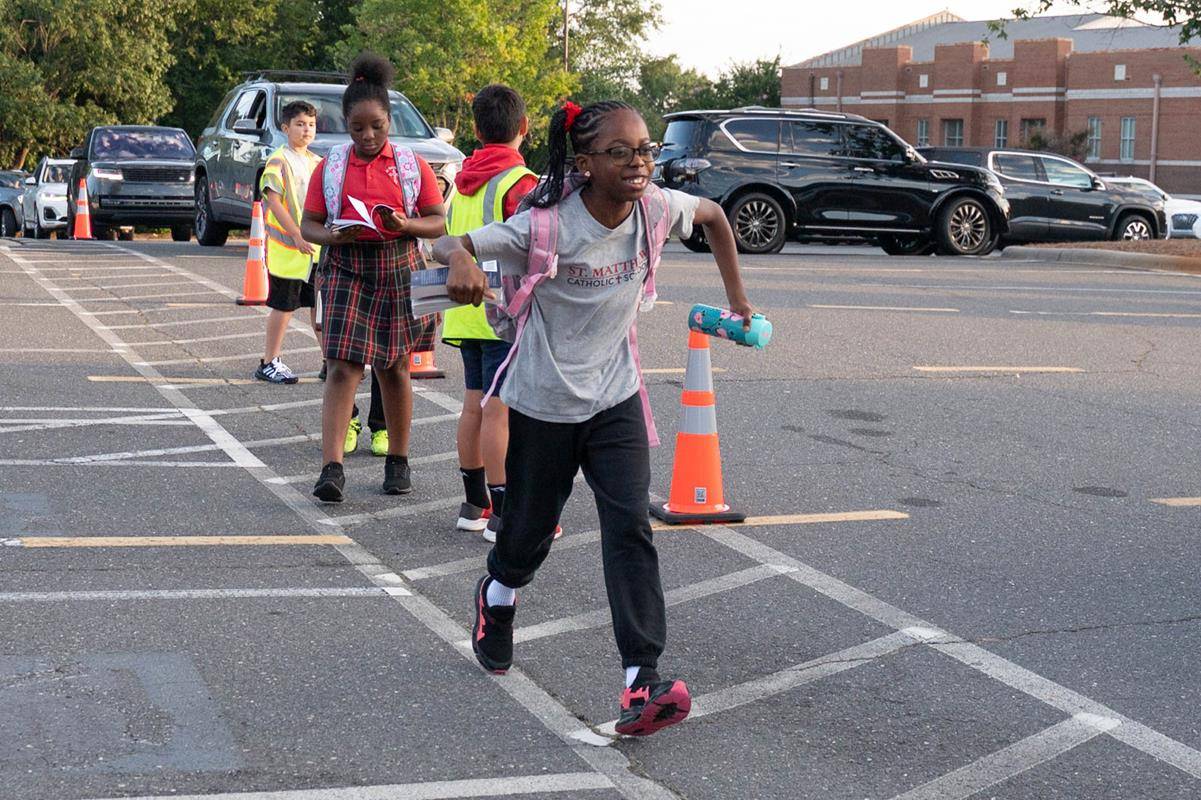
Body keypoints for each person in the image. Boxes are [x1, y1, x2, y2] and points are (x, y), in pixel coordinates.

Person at [435, 100, 757, 736]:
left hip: (615, 399)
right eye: (621, 152)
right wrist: (464, 261)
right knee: (525, 538)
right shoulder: (546, 226)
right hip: (542, 405)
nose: (639, 162)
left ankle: (641, 680)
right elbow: (451, 242)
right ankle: (498, 594)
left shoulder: (657, 209)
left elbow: (717, 217)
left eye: (644, 150)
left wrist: (740, 303)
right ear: (584, 164)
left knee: (629, 526)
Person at [300, 53, 447, 502]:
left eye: (377, 127)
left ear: (389, 121)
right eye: (357, 128)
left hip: (398, 268)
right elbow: (309, 223)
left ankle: (398, 462)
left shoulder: (410, 165)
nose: (367, 136)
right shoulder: (332, 166)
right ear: (345, 123)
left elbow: (437, 221)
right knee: (342, 368)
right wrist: (331, 235)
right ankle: (331, 469)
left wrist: (406, 225)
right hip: (346, 267)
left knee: (395, 367)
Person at [442, 84, 540, 541]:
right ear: (523, 127)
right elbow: (536, 243)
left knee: (473, 405)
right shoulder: (519, 183)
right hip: (504, 308)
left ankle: (473, 502)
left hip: (464, 307)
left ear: (477, 130)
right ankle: (503, 512)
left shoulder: (461, 179)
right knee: (499, 410)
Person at [255, 101, 321, 384]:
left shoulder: (317, 162)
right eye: (300, 124)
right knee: (284, 306)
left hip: (315, 251)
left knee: (320, 307)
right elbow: (274, 202)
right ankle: (269, 361)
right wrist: (296, 234)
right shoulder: (278, 161)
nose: (306, 130)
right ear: (285, 128)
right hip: (288, 252)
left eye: (311, 125)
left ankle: (330, 360)